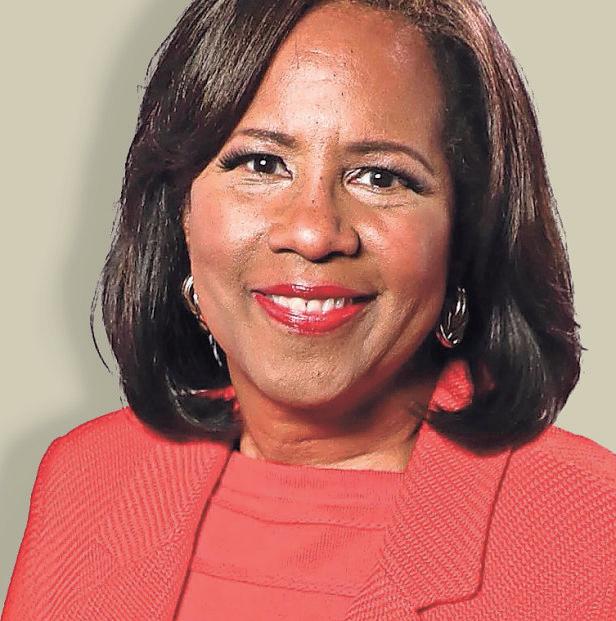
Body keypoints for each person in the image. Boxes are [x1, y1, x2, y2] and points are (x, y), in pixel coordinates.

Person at [3, 0, 615, 619]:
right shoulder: (87, 480)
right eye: (262, 164)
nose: (314, 233)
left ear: (467, 231)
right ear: (179, 209)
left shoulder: (590, 530)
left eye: (380, 178)